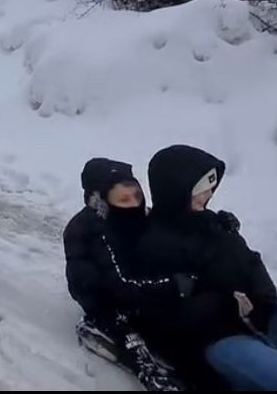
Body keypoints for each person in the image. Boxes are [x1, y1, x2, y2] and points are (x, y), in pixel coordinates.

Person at [134, 145, 277, 391]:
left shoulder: (214, 225)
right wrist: (227, 305)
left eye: (210, 189)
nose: (207, 196)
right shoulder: (153, 245)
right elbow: (168, 316)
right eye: (199, 191)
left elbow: (250, 261)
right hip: (218, 342)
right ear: (176, 192)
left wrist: (263, 297)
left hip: (261, 318)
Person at [64, 158, 190, 391]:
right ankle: (144, 367)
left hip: (134, 284)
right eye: (124, 199)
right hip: (100, 291)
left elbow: (177, 230)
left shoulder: (139, 218)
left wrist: (214, 227)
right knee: (124, 321)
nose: (133, 204)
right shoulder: (90, 228)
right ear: (101, 201)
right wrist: (171, 287)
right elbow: (119, 283)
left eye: (137, 197)